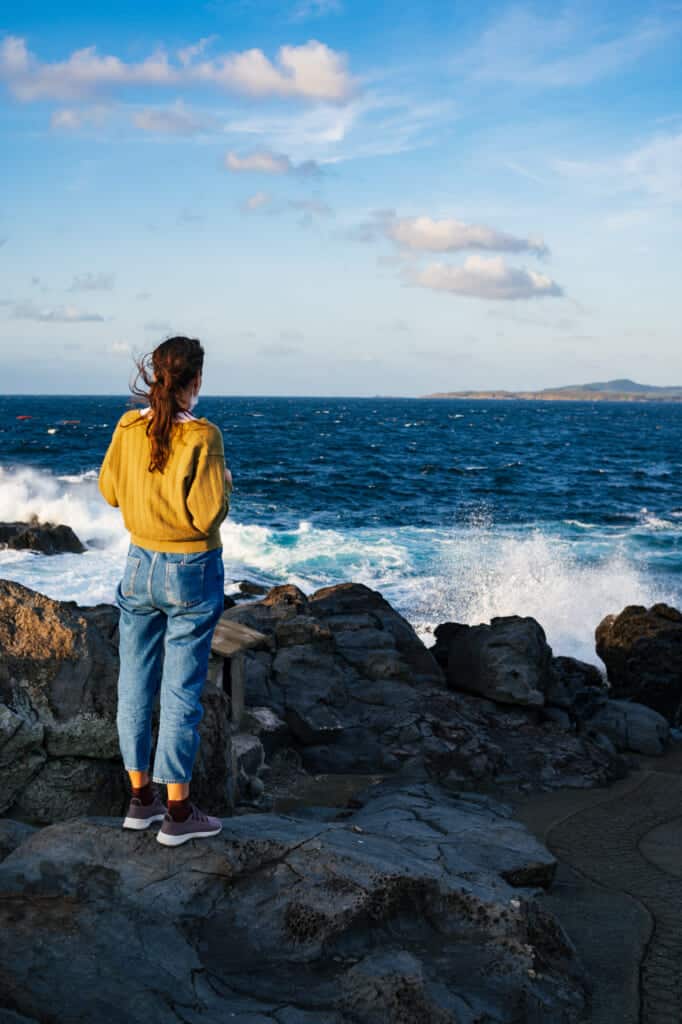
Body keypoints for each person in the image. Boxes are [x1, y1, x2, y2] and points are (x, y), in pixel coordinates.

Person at [98, 335, 232, 846]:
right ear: (194, 380)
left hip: (138, 566)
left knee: (133, 684)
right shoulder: (204, 435)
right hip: (191, 569)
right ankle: (178, 812)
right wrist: (225, 482)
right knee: (180, 692)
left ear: (157, 375)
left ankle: (139, 801)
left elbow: (110, 491)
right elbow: (205, 513)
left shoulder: (129, 424)